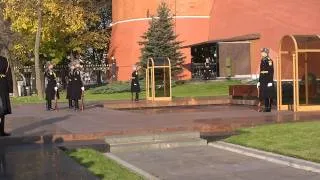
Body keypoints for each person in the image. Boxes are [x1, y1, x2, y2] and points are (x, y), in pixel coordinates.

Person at [257, 48, 274, 112]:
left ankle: (269, 108)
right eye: (261, 52)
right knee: (264, 93)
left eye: (263, 52)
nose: (261, 53)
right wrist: (259, 81)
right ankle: (266, 107)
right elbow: (261, 71)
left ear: (266, 53)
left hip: (268, 79)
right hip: (263, 79)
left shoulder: (269, 61)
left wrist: (270, 81)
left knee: (268, 93)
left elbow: (271, 71)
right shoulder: (262, 60)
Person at [0, 56, 13, 136]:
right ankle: (1, 131)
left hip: (3, 86)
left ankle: (1, 131)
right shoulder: (4, 60)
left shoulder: (4, 60)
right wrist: (10, 89)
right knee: (2, 110)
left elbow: (8, 74)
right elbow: (8, 75)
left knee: (2, 110)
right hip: (3, 85)